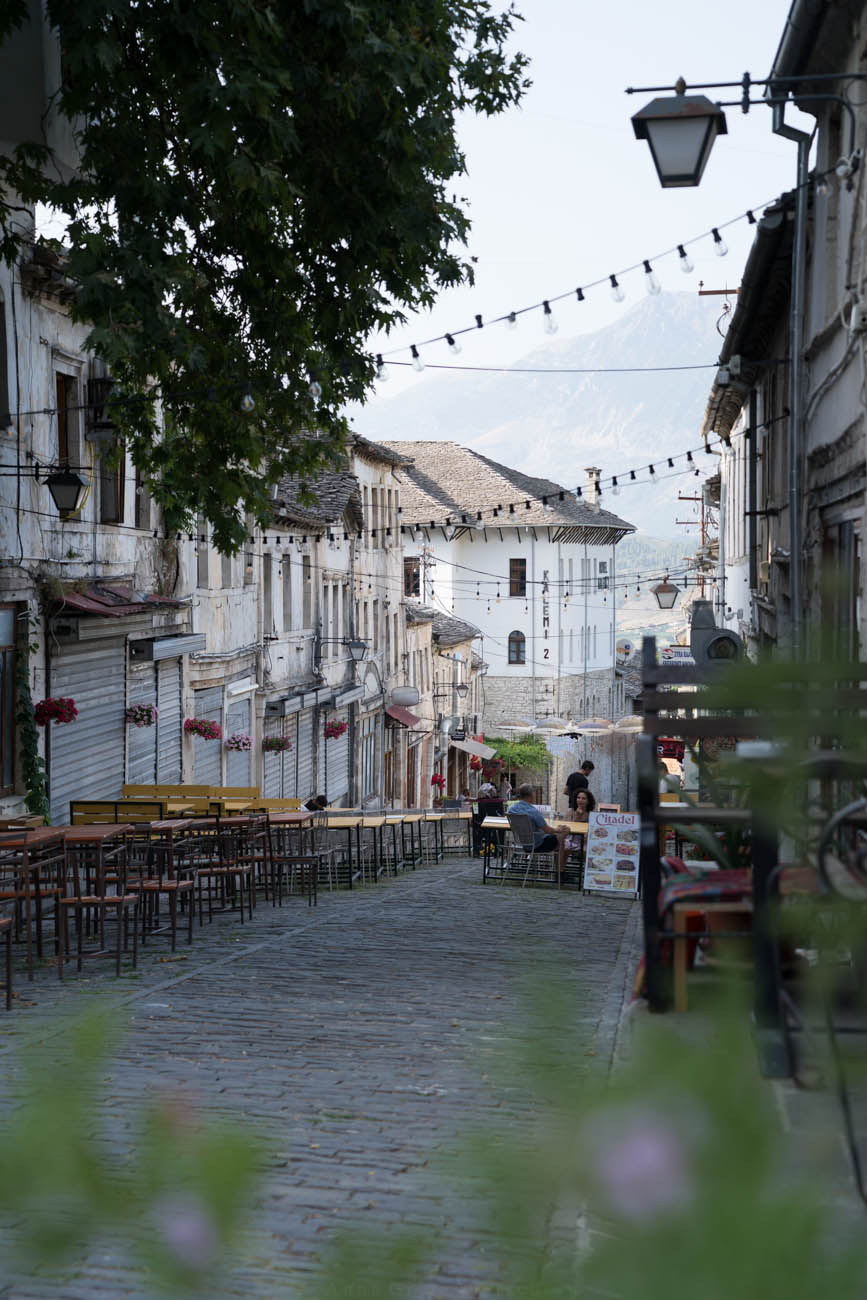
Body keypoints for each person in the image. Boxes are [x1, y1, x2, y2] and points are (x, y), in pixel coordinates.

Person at [508, 782, 569, 877]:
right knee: (563, 834)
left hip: (522, 844)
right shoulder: (533, 811)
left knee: (558, 841)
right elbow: (548, 830)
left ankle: (559, 871)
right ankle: (560, 872)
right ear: (532, 794)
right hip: (538, 845)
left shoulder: (512, 810)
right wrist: (558, 829)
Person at [473, 782, 505, 857]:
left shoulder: (478, 803)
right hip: (490, 824)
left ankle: (477, 851)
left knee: (480, 830)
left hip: (482, 824)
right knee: (499, 830)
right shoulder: (495, 802)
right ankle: (499, 850)